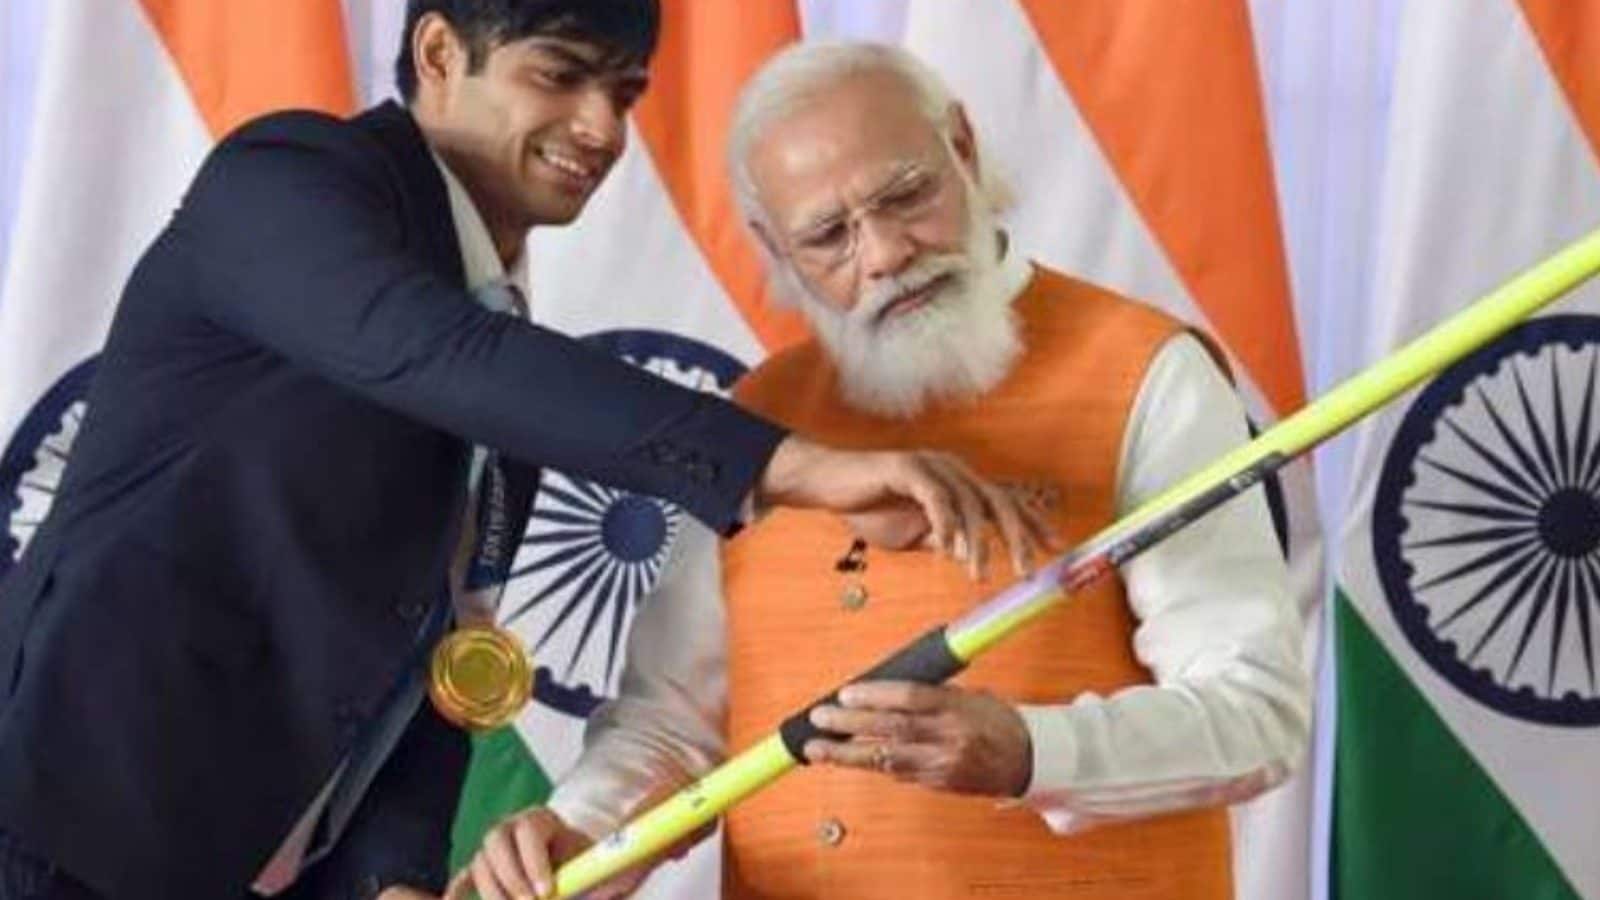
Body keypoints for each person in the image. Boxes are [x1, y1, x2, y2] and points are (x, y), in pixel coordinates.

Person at [0, 9, 1046, 900]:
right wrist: (793, 466)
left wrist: (392, 874)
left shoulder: (495, 317)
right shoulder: (289, 180)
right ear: (439, 52)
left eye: (625, 93)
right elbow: (434, 353)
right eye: (559, 75)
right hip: (56, 829)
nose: (601, 129)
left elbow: (436, 650)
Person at [455, 41, 1312, 900]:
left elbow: (1256, 713)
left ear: (962, 148)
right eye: (828, 235)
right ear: (775, 249)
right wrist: (580, 832)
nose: (885, 252)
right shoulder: (757, 419)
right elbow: (671, 726)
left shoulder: (1148, 370)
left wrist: (1032, 752)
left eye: (906, 195)